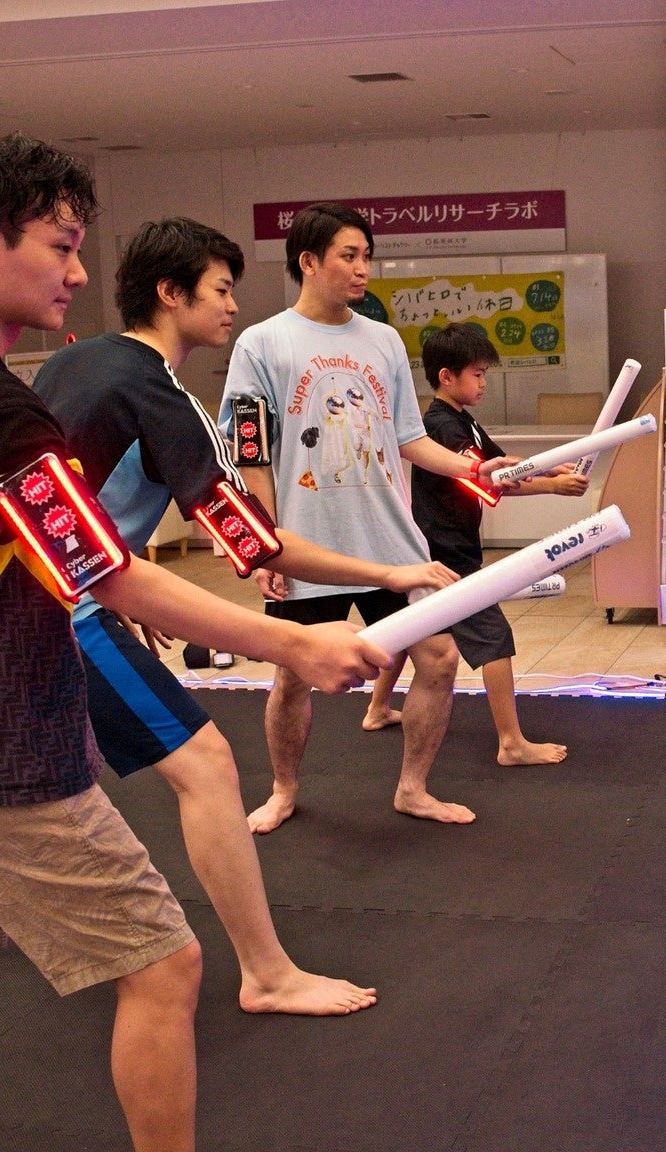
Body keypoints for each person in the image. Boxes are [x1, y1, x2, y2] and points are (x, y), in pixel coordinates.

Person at [0, 135, 383, 1152]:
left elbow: (64, 562)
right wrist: (292, 646)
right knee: (165, 966)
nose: (79, 272)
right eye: (60, 246)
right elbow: (101, 569)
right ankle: (266, 973)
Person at [34, 217, 469, 1015]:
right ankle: (266, 974)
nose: (233, 306)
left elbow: (61, 495)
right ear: (172, 294)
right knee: (207, 766)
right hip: (62, 616)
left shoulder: (74, 362)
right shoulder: (165, 397)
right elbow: (256, 542)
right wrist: (387, 571)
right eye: (221, 290)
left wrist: (122, 576)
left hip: (23, 607)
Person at [218, 202, 513, 833]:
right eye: (348, 256)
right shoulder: (261, 343)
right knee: (292, 679)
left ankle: (413, 788)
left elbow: (410, 438)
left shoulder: (383, 341)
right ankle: (283, 790)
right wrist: (264, 545)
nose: (363, 269)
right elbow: (251, 455)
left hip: (391, 543)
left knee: (439, 658)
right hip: (307, 546)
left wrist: (472, 469)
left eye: (366, 257)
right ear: (308, 261)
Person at [360, 322, 589, 763]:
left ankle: (376, 708)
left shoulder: (461, 419)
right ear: (447, 376)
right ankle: (511, 744)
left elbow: (503, 463)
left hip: (445, 545)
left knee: (412, 628)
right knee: (493, 637)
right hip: (444, 552)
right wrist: (553, 487)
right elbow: (490, 482)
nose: (484, 383)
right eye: (478, 374)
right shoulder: (440, 426)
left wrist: (553, 469)